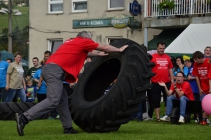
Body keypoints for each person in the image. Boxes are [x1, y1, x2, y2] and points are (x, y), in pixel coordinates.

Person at [15, 31, 128, 136]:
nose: (90, 42)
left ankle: (68, 128)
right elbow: (104, 46)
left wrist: (99, 54)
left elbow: (84, 54)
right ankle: (24, 117)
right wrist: (119, 50)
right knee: (53, 100)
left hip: (50, 69)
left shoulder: (70, 41)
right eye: (90, 40)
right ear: (85, 38)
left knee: (62, 100)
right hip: (55, 70)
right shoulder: (83, 41)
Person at [149, 41, 174, 122]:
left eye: (163, 48)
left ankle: (167, 115)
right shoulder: (152, 57)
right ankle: (158, 117)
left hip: (166, 82)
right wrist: (149, 79)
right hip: (155, 81)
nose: (162, 50)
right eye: (160, 48)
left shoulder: (167, 57)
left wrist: (172, 79)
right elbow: (149, 69)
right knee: (156, 100)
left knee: (168, 99)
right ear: (157, 48)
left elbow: (170, 68)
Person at [192, 51, 211, 125]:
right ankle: (204, 120)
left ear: (200, 58)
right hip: (202, 87)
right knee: (203, 103)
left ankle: (208, 119)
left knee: (209, 104)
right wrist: (199, 88)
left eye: (196, 59)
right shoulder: (196, 64)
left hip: (209, 86)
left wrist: (210, 89)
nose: (195, 61)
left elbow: (210, 77)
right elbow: (196, 76)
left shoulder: (208, 62)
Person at [185, 58, 200, 122]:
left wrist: (192, 77)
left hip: (197, 87)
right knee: (191, 103)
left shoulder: (197, 67)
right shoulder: (190, 67)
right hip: (191, 88)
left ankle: (198, 117)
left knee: (197, 103)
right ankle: (190, 117)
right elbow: (189, 75)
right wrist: (189, 77)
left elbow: (199, 76)